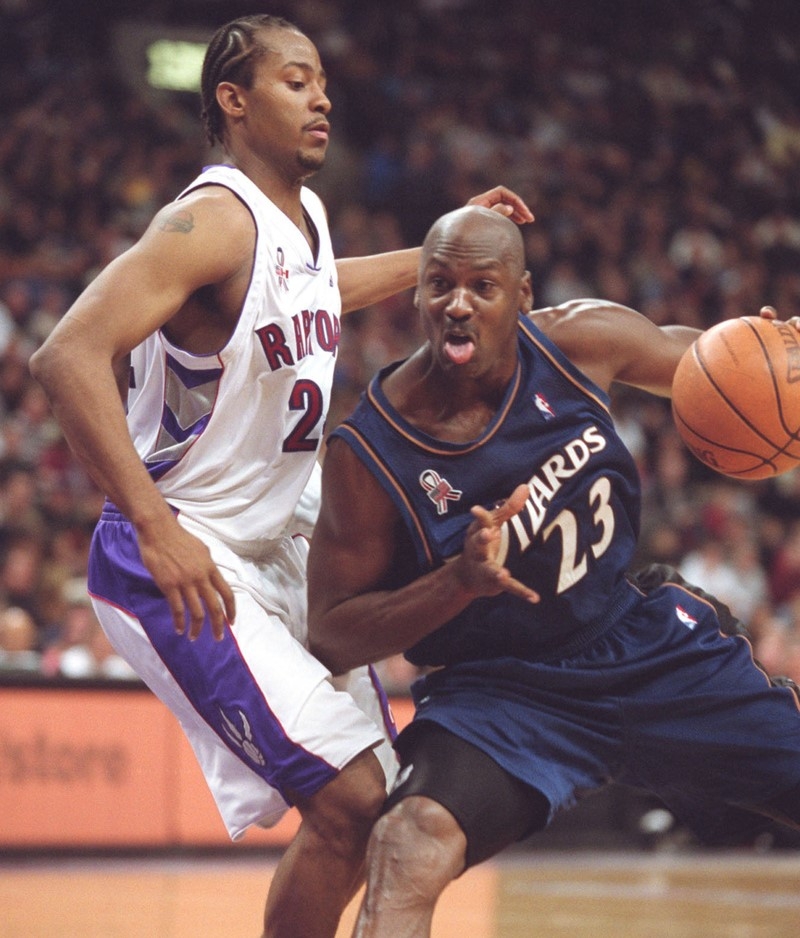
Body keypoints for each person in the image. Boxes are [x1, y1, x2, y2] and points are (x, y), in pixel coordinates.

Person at [28, 15, 532, 938]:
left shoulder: (299, 219)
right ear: (234, 100)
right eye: (296, 81)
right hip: (187, 544)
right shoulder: (208, 220)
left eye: (322, 81)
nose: (322, 97)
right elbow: (66, 356)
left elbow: (311, 286)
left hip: (277, 542)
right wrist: (154, 526)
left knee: (380, 805)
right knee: (349, 797)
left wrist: (435, 254)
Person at [306, 205, 800, 937]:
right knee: (407, 844)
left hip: (640, 643)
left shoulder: (581, 341)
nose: (459, 304)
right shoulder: (369, 454)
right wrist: (456, 581)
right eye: (439, 284)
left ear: (524, 295)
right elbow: (332, 635)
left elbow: (706, 367)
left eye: (483, 285)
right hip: (502, 693)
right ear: (415, 295)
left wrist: (769, 354)